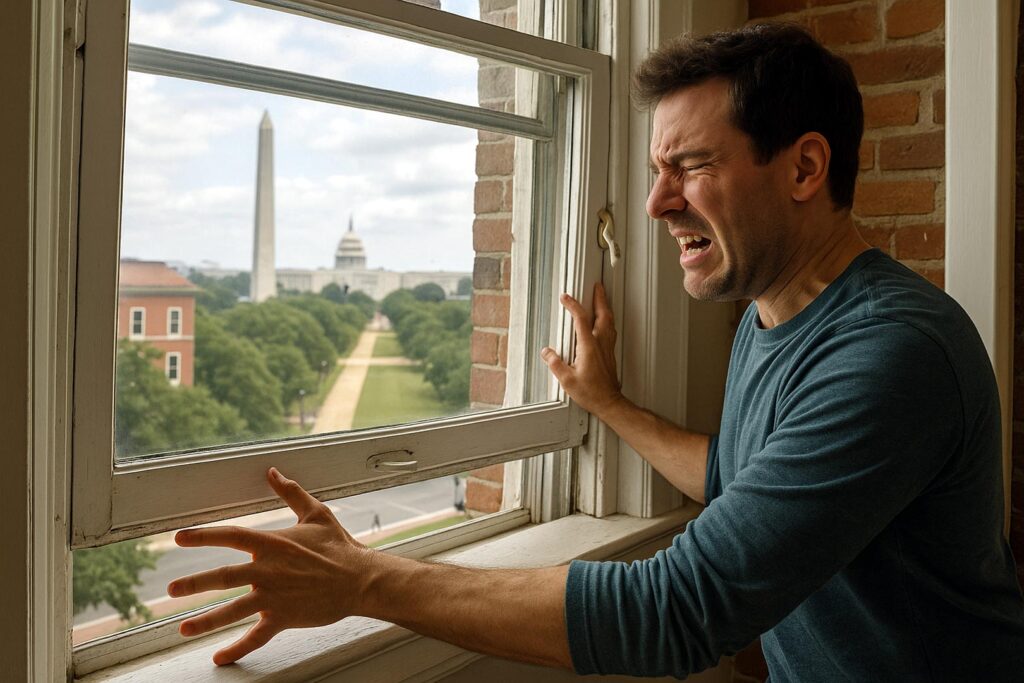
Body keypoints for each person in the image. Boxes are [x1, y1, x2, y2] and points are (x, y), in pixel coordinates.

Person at [167, 24, 1024, 680]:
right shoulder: (775, 315)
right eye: (657, 169)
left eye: (688, 165)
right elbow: (740, 481)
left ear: (803, 169)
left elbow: (679, 607)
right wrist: (607, 402)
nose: (655, 203)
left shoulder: (890, 353)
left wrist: (363, 582)